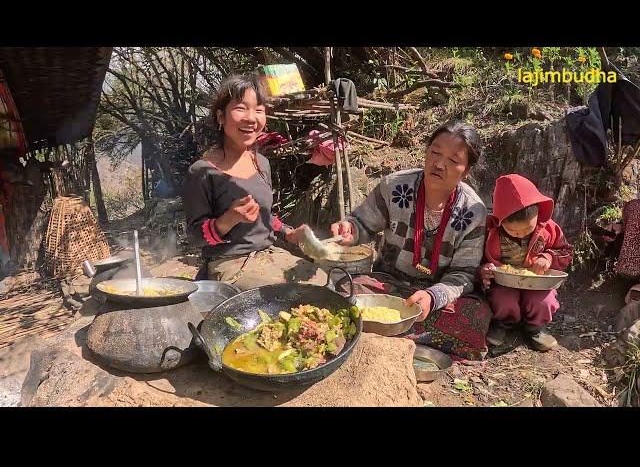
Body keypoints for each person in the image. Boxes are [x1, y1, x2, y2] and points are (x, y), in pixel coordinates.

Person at [331, 121, 490, 361]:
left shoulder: (473, 212)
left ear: (466, 170)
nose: (439, 164)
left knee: (475, 317)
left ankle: (378, 332)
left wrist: (433, 296)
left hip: (435, 299)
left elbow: (463, 275)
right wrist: (350, 229)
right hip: (388, 285)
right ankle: (410, 336)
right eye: (435, 152)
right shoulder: (395, 186)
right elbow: (363, 224)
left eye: (453, 160)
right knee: (345, 291)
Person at [182, 73, 326, 290]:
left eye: (259, 110)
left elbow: (267, 216)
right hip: (230, 264)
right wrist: (228, 219)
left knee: (325, 282)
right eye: (241, 108)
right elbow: (194, 237)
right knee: (288, 294)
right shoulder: (202, 171)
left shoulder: (262, 163)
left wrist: (289, 233)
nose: (251, 118)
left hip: (270, 256)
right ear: (221, 116)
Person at [479, 174, 573, 351]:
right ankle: (503, 324)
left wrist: (548, 258)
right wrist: (485, 269)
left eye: (528, 229)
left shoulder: (549, 229)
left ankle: (534, 328)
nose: (520, 234)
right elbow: (478, 259)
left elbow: (566, 251)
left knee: (544, 302)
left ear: (538, 214)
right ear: (500, 222)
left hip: (537, 282)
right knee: (502, 300)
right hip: (503, 283)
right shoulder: (491, 232)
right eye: (513, 231)